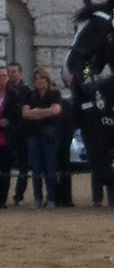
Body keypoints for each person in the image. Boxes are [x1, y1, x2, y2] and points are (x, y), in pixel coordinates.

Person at [22, 66, 63, 207]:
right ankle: (38, 198)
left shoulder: (54, 93)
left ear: (47, 79)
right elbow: (25, 113)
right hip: (33, 134)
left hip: (49, 135)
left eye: (41, 78)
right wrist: (44, 112)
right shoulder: (30, 95)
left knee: (50, 167)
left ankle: (51, 198)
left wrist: (37, 111)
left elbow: (56, 110)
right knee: (36, 168)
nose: (39, 81)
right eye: (36, 79)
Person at [6, 61, 31, 205]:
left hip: (23, 133)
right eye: (9, 72)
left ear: (20, 73)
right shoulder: (5, 90)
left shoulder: (27, 91)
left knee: (23, 167)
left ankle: (18, 196)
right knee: (5, 166)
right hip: (8, 133)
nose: (11, 75)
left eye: (14, 72)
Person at [0, 66, 13, 207]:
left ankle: (2, 199)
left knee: (4, 170)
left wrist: (7, 122)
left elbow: (15, 116)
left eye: (4, 76)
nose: (1, 79)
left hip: (6, 137)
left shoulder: (13, 95)